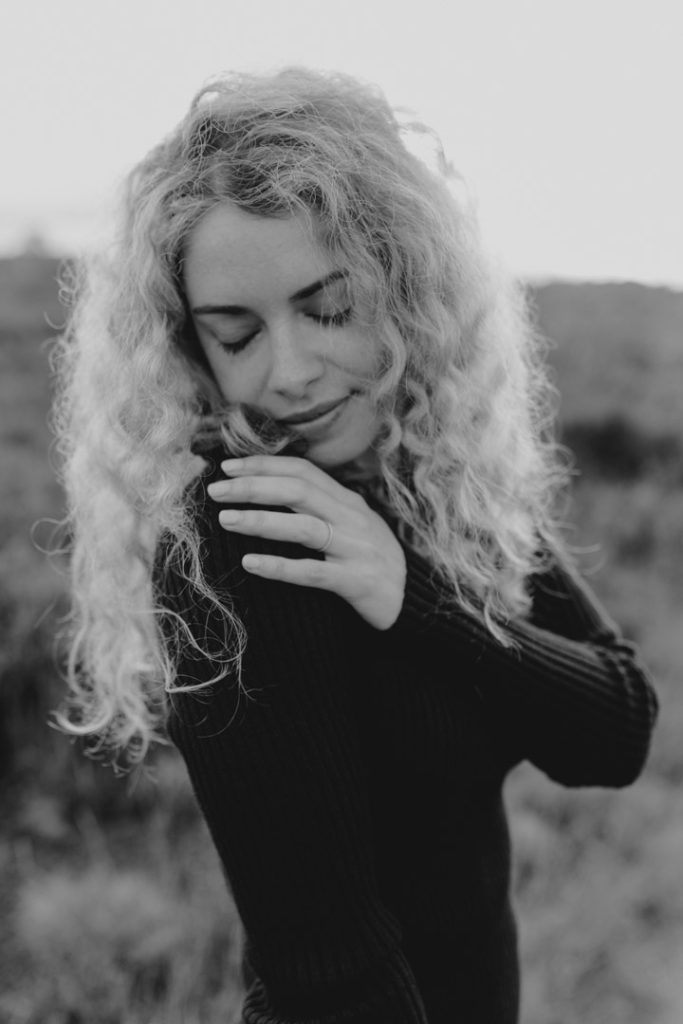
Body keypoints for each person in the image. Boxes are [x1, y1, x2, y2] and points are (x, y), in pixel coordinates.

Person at [51, 66, 659, 1024]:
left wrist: (409, 595)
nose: (287, 372)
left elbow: (615, 729)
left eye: (327, 309)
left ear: (404, 286)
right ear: (189, 347)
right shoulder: (238, 540)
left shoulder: (434, 480)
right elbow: (329, 967)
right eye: (236, 334)